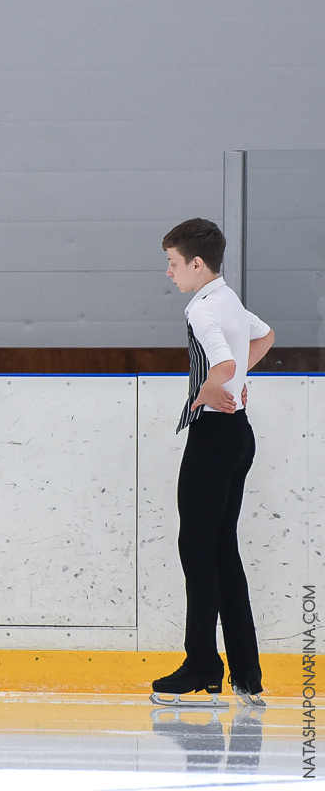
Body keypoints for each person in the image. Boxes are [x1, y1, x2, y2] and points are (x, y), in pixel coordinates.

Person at [151, 218, 275, 707]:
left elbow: (223, 364)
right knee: (222, 550)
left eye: (173, 263)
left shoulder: (203, 309)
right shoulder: (229, 298)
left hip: (212, 438)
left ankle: (202, 664)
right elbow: (265, 338)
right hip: (239, 437)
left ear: (196, 264)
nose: (169, 272)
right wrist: (237, 378)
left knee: (197, 552)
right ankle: (246, 672)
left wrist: (209, 391)